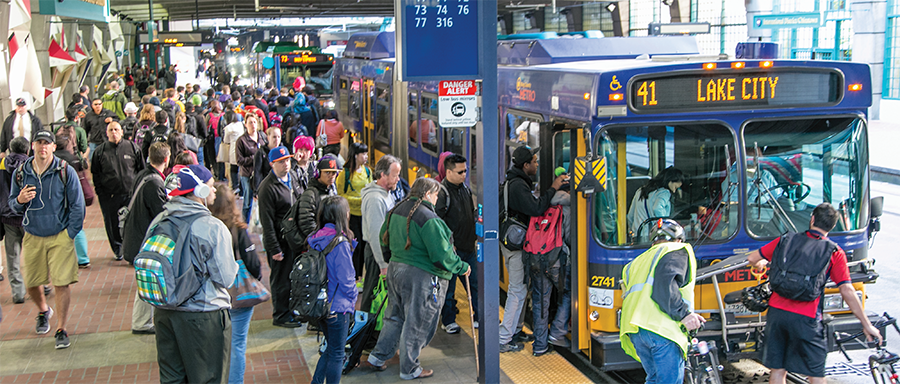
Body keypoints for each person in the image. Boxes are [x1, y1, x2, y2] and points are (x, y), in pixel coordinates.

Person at [746, 203, 882, 384]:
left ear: (812, 219)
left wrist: (761, 263)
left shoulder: (785, 240)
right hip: (807, 318)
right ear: (832, 226)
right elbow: (847, 290)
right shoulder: (834, 252)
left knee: (778, 370)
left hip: (777, 314)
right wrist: (866, 324)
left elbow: (752, 258)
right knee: (816, 373)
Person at [363, 178, 471, 380]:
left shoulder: (396, 210)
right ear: (428, 194)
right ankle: (409, 368)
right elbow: (441, 255)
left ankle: (378, 357)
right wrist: (462, 267)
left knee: (394, 317)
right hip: (421, 277)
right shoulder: (429, 219)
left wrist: (391, 259)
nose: (437, 199)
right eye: (436, 195)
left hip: (395, 269)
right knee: (418, 322)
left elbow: (382, 238)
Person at [150, 165, 237, 383]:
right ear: (200, 191)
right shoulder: (212, 227)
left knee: (172, 379)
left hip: (164, 311)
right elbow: (225, 278)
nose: (214, 190)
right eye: (210, 186)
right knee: (208, 378)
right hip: (203, 315)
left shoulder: (159, 220)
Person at [8, 130, 85, 349]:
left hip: (60, 235)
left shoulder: (64, 171)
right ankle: (44, 310)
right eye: (39, 143)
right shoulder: (21, 172)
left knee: (61, 283)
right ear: (32, 146)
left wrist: (70, 234)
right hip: (33, 235)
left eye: (47, 143)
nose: (43, 147)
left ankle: (61, 328)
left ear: (53, 147)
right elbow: (12, 204)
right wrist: (20, 200)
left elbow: (78, 205)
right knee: (32, 283)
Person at [619, 219, 705, 384]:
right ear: (679, 240)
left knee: (653, 379)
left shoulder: (636, 262)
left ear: (653, 242)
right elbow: (664, 288)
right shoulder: (675, 250)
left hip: (635, 330)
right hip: (661, 329)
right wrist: (684, 315)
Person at [499, 145, 567, 353]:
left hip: (512, 242)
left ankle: (517, 330)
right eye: (534, 162)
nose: (537, 165)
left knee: (521, 288)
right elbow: (536, 208)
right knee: (517, 290)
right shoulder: (518, 186)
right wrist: (554, 187)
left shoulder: (515, 181)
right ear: (525, 165)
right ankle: (503, 338)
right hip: (516, 246)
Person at [209, 181, 262, 384]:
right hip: (238, 296)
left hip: (213, 296)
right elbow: (254, 265)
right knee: (237, 344)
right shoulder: (238, 231)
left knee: (215, 344)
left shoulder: (206, 229)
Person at [121, 142, 170, 335]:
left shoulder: (143, 174)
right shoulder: (155, 183)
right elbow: (160, 214)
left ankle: (142, 321)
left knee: (145, 280)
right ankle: (141, 323)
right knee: (147, 281)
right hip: (143, 240)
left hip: (135, 236)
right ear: (166, 159)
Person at [308, 195, 357, 384]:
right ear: (343, 215)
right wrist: (353, 298)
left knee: (330, 349)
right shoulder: (340, 243)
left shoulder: (315, 238)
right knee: (337, 354)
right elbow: (347, 280)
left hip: (320, 304)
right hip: (338, 306)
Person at [258, 146, 304, 328]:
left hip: (294, 239)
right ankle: (281, 315)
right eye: (281, 162)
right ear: (272, 164)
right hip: (280, 241)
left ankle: (292, 310)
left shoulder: (292, 177)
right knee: (281, 279)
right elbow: (267, 222)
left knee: (293, 277)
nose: (286, 164)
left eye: (288, 160)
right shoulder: (267, 188)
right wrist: (274, 248)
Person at [435, 154, 479, 334]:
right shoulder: (442, 193)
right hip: (452, 251)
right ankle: (448, 321)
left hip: (468, 248)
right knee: (449, 288)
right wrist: (447, 245)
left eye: (465, 171)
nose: (464, 175)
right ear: (449, 172)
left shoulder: (465, 190)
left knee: (475, 284)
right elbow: (437, 223)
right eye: (460, 172)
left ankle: (479, 316)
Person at [91, 122, 144, 259]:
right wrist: (101, 193)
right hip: (110, 195)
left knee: (132, 222)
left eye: (116, 129)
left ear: (121, 132)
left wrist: (138, 190)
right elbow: (96, 174)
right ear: (107, 133)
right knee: (112, 223)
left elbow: (141, 169)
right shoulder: (100, 151)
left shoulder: (132, 148)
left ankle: (131, 247)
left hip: (130, 194)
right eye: (111, 130)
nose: (114, 132)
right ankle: (117, 248)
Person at [358, 155, 402, 312]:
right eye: (395, 175)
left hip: (382, 252)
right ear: (383, 175)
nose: (398, 179)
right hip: (377, 253)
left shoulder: (385, 193)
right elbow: (375, 235)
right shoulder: (375, 199)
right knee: (372, 293)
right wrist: (383, 265)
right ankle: (366, 325)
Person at [52, 135, 90, 268]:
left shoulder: (53, 161)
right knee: (78, 227)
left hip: (58, 198)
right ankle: (83, 258)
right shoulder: (73, 158)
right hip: (74, 196)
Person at [0, 137, 31, 303]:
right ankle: (40, 285)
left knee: (12, 257)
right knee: (34, 255)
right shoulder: (30, 165)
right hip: (29, 217)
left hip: (8, 217)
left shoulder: (1, 165)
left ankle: (18, 293)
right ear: (27, 150)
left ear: (10, 150)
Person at [337, 142, 373, 279]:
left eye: (366, 153)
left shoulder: (367, 171)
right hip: (351, 216)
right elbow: (341, 195)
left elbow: (370, 187)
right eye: (363, 154)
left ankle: (360, 275)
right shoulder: (345, 174)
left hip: (365, 215)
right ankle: (354, 275)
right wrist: (359, 200)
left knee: (364, 245)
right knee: (355, 246)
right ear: (355, 155)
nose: (366, 156)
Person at [626, 166, 685, 240]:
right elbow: (657, 208)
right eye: (675, 187)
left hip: (638, 234)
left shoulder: (640, 191)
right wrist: (666, 225)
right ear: (670, 181)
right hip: (653, 235)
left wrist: (632, 230)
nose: (674, 191)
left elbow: (630, 215)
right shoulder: (664, 192)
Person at [297, 156, 340, 249]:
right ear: (318, 173)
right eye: (327, 172)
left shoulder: (331, 191)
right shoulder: (310, 194)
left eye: (334, 173)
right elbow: (306, 222)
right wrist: (320, 239)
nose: (331, 176)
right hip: (317, 243)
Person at [236, 114, 266, 223]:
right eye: (250, 122)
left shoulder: (262, 137)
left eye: (254, 122)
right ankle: (244, 224)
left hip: (261, 174)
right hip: (248, 175)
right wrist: (254, 158)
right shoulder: (241, 140)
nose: (253, 125)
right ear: (245, 125)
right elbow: (239, 160)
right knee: (247, 202)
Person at [254, 127, 281, 192]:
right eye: (274, 137)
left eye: (279, 137)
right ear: (268, 138)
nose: (277, 139)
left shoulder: (282, 151)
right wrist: (257, 190)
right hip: (266, 188)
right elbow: (257, 173)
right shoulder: (261, 152)